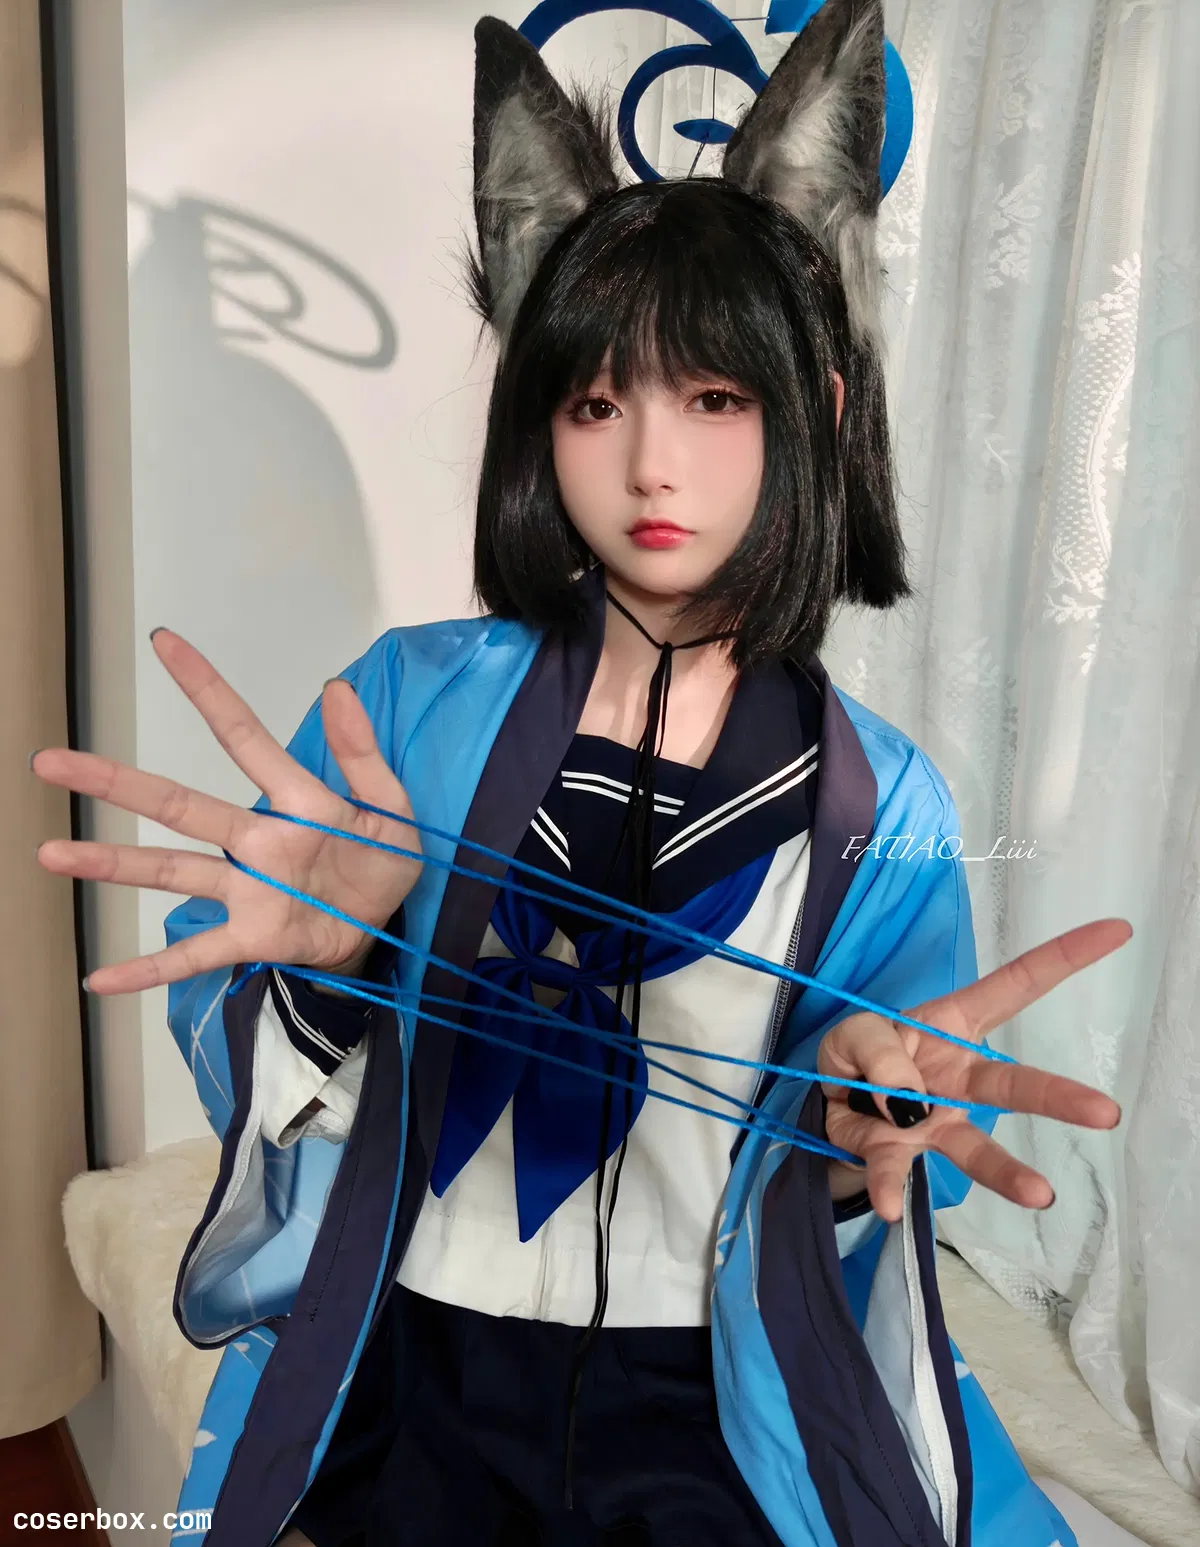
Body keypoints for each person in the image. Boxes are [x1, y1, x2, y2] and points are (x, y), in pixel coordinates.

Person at [34, 8, 1131, 1546]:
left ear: (816, 409)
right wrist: (331, 970)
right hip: (414, 1362)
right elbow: (252, 1050)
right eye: (598, 401)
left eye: (716, 398)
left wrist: (865, 1127)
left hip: (706, 1397)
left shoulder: (884, 807)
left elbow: (891, 1145)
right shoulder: (402, 710)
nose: (651, 464)